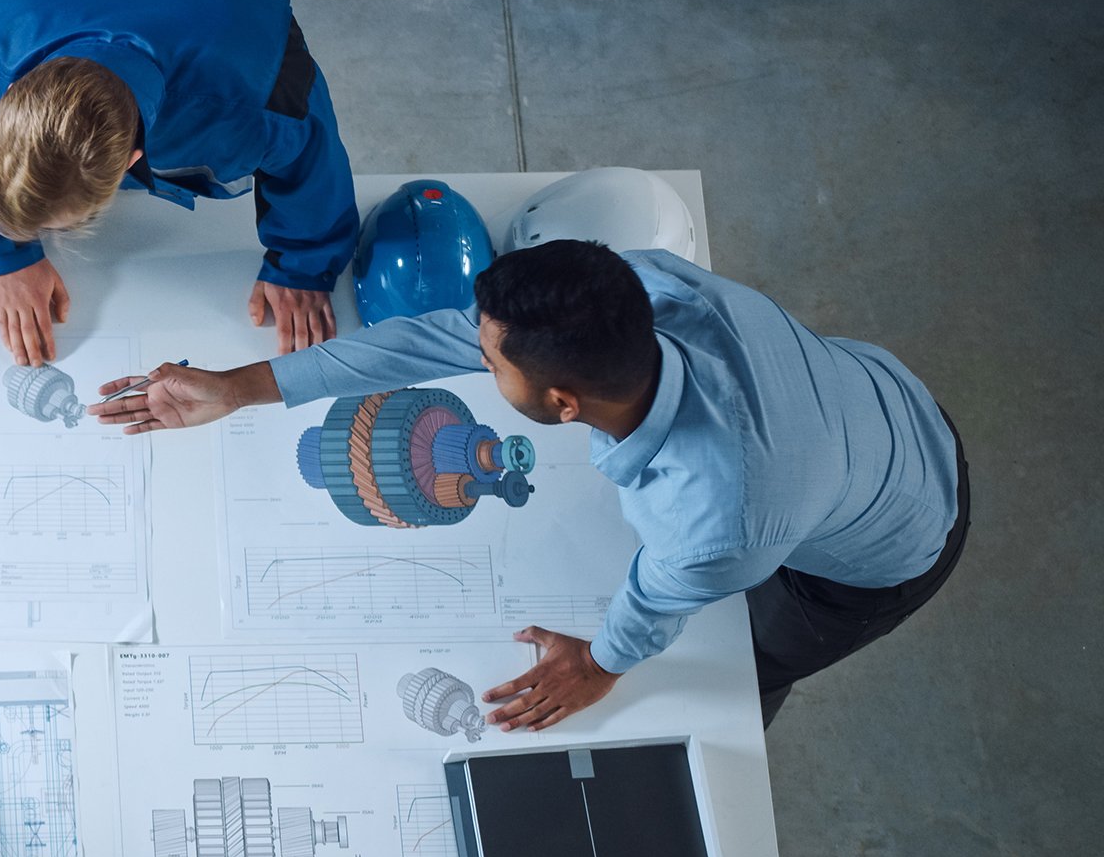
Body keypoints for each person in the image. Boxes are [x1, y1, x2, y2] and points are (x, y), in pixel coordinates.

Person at [89, 240, 968, 728]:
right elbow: (430, 341)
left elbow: (654, 604)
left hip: (882, 545)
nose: (470, 355)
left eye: (488, 358)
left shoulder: (715, 519)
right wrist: (239, 388)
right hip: (881, 399)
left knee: (737, 668)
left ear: (560, 401)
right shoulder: (650, 286)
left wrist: (596, 663)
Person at [0, 0, 359, 365]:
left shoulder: (258, 98)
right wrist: (2, 254)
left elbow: (312, 164)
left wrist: (302, 266)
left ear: (131, 161)